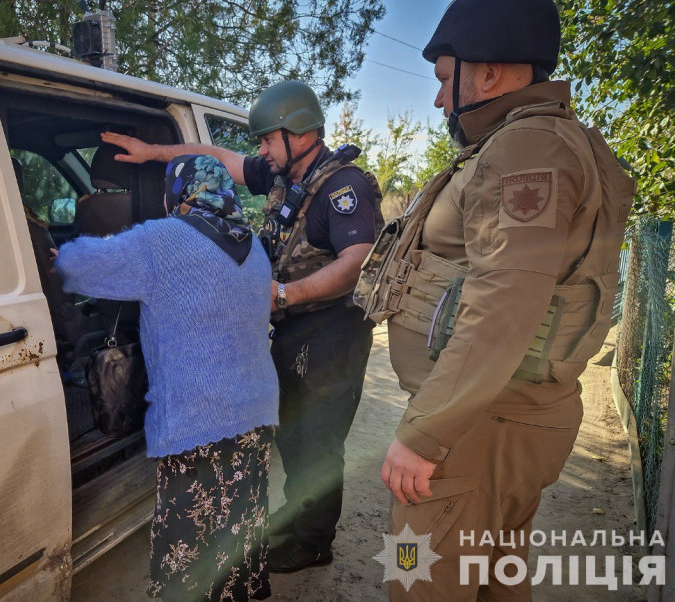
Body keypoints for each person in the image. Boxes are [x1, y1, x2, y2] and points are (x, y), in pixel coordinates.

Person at [353, 0, 635, 599]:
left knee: (415, 575)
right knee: (493, 576)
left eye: (441, 81)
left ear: (487, 74)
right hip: (498, 416)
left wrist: (423, 436)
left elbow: (506, 300)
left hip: (476, 427)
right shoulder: (542, 140)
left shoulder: (526, 150)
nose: (437, 101)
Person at [102, 79, 383, 573]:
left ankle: (314, 542)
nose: (259, 151)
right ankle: (298, 516)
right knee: (293, 432)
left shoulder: (343, 187)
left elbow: (354, 262)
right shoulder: (282, 173)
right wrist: (153, 152)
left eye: (266, 140)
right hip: (295, 329)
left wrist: (283, 294)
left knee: (318, 440)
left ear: (297, 133)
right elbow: (210, 153)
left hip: (333, 333)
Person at [54, 154, 280, 601]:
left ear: (176, 195)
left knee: (188, 556)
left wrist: (56, 250)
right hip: (255, 414)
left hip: (197, 424)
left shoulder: (162, 242)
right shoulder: (252, 244)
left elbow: (77, 267)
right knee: (237, 532)